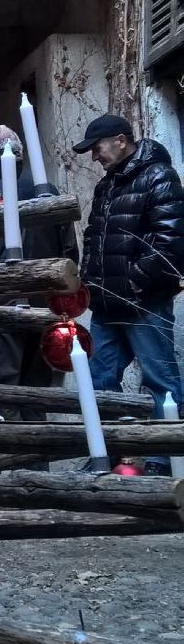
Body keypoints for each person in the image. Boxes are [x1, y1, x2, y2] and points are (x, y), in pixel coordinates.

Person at [73, 113, 184, 474]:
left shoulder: (160, 177)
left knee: (160, 382)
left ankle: (163, 462)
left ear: (121, 141)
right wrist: (89, 283)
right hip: (106, 303)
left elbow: (171, 243)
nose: (94, 156)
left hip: (144, 301)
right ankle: (107, 454)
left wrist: (134, 281)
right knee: (98, 380)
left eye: (97, 148)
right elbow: (93, 239)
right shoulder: (106, 185)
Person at [0, 125, 74, 418]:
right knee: (34, 402)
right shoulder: (46, 191)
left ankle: (6, 450)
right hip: (43, 313)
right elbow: (70, 255)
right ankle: (35, 449)